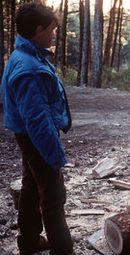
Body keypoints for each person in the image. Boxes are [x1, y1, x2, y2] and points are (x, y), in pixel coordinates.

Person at [1, 2, 73, 254]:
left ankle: (29, 241)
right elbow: (37, 121)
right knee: (54, 195)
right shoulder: (28, 68)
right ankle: (62, 249)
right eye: (51, 30)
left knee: (31, 185)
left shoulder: (25, 55)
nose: (54, 35)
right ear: (39, 30)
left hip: (28, 135)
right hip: (36, 137)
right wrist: (54, 156)